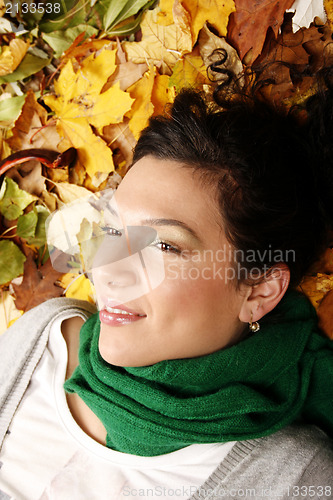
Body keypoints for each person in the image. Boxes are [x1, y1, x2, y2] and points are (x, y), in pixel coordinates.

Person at [0, 73, 333, 499]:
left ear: (259, 291)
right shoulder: (43, 338)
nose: (108, 268)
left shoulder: (293, 479)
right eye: (114, 228)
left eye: (163, 246)